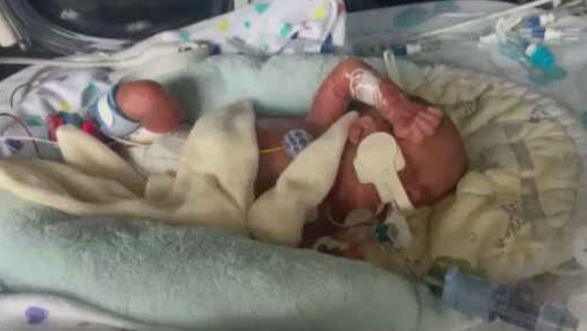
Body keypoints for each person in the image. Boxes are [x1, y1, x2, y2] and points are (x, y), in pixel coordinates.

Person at [111, 58, 467, 251]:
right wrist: (393, 102)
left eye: (427, 195)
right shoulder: (319, 127)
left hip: (180, 201)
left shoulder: (340, 219)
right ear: (365, 133)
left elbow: (289, 247)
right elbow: (345, 75)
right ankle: (101, 121)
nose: (415, 195)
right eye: (411, 174)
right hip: (179, 138)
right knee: (144, 97)